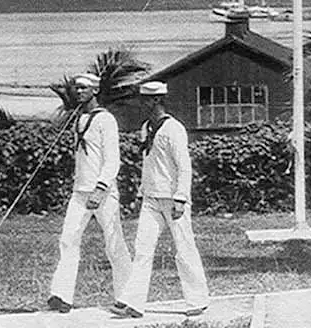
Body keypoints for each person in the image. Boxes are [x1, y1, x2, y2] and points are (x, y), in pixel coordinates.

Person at [112, 81, 209, 319]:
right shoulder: (146, 128)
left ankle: (197, 299)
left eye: (146, 99)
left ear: (157, 100)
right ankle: (135, 303)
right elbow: (148, 164)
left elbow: (184, 167)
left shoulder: (174, 129)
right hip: (151, 198)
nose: (142, 103)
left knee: (184, 247)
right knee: (142, 249)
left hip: (173, 198)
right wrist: (141, 192)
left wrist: (181, 198)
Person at [47, 72, 132, 314]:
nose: (78, 91)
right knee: (68, 240)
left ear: (95, 90)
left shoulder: (106, 120)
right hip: (80, 191)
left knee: (114, 243)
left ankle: (127, 296)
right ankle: (62, 295)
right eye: (76, 88)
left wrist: (100, 188)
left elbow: (112, 160)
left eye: (83, 88)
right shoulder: (80, 119)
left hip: (102, 192)